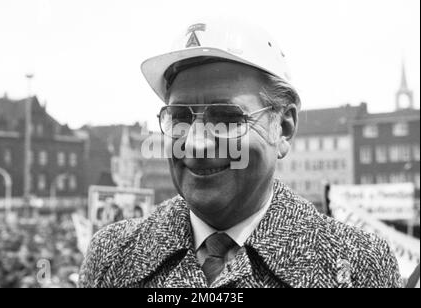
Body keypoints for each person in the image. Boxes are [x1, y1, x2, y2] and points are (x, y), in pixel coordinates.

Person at [79, 18, 402, 288]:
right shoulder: (113, 253)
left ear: (284, 128)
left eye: (227, 119)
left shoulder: (358, 263)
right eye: (179, 118)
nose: (196, 143)